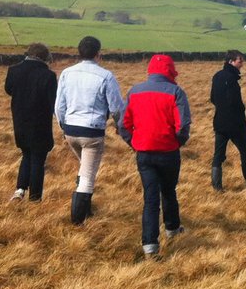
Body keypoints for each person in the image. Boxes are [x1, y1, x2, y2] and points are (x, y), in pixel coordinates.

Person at [121, 54, 191, 260]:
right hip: (168, 152)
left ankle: (150, 246)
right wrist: (178, 142)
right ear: (170, 71)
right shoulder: (176, 92)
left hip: (144, 153)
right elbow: (183, 125)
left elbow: (123, 125)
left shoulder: (134, 92)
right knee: (169, 191)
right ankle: (172, 229)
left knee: (150, 199)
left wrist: (134, 143)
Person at [55, 35, 123, 224]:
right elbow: (116, 107)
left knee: (84, 169)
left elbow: (59, 105)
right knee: (87, 177)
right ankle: (77, 222)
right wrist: (120, 126)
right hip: (92, 132)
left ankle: (87, 211)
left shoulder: (67, 73)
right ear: (98, 54)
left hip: (70, 130)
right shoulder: (106, 76)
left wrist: (63, 125)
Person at [4, 42, 57, 202]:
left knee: (26, 154)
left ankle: (19, 190)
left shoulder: (13, 71)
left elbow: (8, 89)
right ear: (43, 57)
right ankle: (35, 197)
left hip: (20, 120)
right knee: (38, 159)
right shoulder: (48, 75)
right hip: (40, 123)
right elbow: (52, 101)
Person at [209, 50, 246, 191]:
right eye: (239, 60)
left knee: (218, 155)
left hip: (220, 122)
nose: (242, 63)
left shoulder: (217, 76)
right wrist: (241, 108)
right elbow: (234, 101)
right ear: (231, 61)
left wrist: (222, 108)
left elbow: (212, 98)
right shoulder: (231, 78)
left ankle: (217, 188)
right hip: (235, 123)